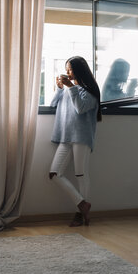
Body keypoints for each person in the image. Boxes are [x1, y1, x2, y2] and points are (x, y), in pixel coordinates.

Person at [49, 56, 102, 227]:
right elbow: (52, 104)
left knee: (81, 174)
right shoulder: (67, 90)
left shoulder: (90, 91)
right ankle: (82, 204)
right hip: (65, 137)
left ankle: (80, 214)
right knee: (54, 174)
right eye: (67, 69)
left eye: (70, 69)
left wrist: (71, 87)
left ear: (79, 71)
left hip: (81, 137)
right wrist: (59, 89)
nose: (68, 72)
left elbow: (80, 108)